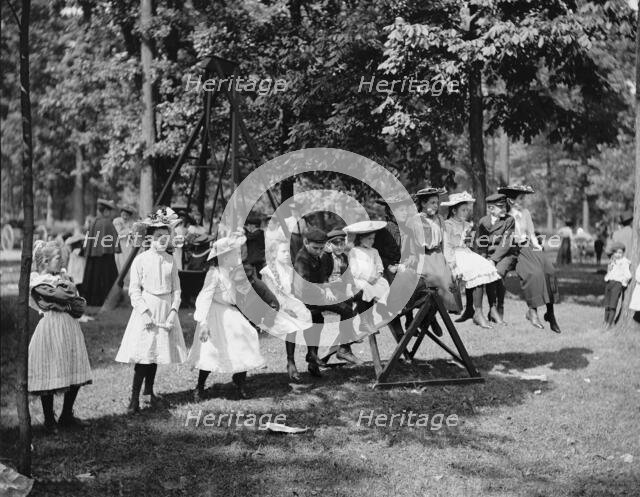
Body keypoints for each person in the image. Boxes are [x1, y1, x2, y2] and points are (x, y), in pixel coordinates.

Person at [115, 208, 187, 413]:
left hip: (164, 308)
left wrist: (173, 310)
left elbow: (177, 289)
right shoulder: (141, 260)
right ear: (150, 238)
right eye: (158, 236)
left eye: (166, 236)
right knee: (144, 354)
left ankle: (149, 392)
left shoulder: (170, 260)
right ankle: (134, 398)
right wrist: (144, 312)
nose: (163, 240)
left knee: (156, 352)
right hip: (147, 308)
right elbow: (134, 290)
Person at [187, 234, 265, 399]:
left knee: (245, 337)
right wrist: (203, 322)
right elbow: (204, 297)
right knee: (212, 348)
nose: (237, 257)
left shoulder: (237, 272)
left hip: (231, 311)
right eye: (233, 254)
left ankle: (240, 381)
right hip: (215, 312)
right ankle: (200, 386)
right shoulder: (214, 274)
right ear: (223, 257)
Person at [29, 240, 92, 432]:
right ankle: (49, 419)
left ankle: (66, 414)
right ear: (46, 261)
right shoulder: (39, 282)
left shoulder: (62, 277)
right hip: (51, 327)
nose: (62, 259)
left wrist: (66, 296)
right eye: (58, 257)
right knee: (50, 367)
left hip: (69, 327)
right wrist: (66, 294)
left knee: (73, 364)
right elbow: (63, 296)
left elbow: (79, 304)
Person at [293, 228, 361, 375]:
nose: (318, 251)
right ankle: (343, 348)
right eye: (315, 248)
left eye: (321, 248)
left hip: (318, 294)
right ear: (305, 242)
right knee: (345, 309)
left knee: (319, 321)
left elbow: (323, 276)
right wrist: (324, 290)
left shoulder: (318, 255)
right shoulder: (302, 259)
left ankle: (313, 360)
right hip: (306, 298)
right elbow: (304, 284)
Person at [498, 185, 562, 333]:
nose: (523, 201)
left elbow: (531, 232)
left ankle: (550, 313)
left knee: (549, 269)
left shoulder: (525, 213)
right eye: (520, 198)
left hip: (528, 245)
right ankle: (532, 310)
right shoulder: (506, 217)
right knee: (534, 273)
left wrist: (537, 246)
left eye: (523, 198)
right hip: (515, 248)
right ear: (510, 200)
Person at [441, 191, 501, 329]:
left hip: (465, 252)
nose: (466, 212)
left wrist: (469, 238)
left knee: (487, 267)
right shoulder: (447, 225)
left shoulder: (466, 225)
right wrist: (452, 265)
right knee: (475, 272)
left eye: (467, 210)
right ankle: (477, 313)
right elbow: (447, 246)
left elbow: (468, 244)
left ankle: (480, 309)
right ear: (454, 210)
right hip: (454, 255)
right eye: (463, 210)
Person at [260, 241, 313, 381]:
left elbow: (295, 291)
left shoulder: (289, 270)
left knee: (309, 314)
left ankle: (311, 353)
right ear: (273, 254)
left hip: (289, 302)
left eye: (288, 252)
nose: (287, 254)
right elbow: (271, 296)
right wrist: (287, 309)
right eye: (283, 252)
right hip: (274, 306)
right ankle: (291, 362)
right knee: (291, 324)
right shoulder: (267, 272)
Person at [409, 187, 461, 313]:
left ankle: (447, 308)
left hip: (438, 255)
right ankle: (429, 313)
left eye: (437, 203)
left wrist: (452, 263)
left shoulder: (439, 219)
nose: (436, 206)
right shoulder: (415, 220)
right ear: (423, 203)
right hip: (423, 257)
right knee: (437, 278)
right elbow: (412, 245)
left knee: (450, 277)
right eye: (432, 203)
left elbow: (446, 242)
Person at [476, 193, 517, 325]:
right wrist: (483, 259)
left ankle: (499, 307)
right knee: (487, 273)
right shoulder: (483, 222)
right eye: (500, 207)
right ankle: (492, 309)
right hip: (488, 256)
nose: (504, 209)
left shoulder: (509, 220)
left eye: (505, 206)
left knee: (497, 274)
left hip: (505, 255)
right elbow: (481, 243)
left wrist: (493, 260)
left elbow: (506, 242)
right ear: (491, 208)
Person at [344, 221, 390, 334]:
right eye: (369, 238)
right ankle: (366, 322)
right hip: (361, 279)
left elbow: (379, 265)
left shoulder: (374, 251)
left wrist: (378, 275)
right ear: (361, 239)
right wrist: (367, 277)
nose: (372, 241)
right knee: (366, 289)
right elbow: (353, 270)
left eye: (373, 239)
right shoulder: (355, 251)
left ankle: (382, 308)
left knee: (384, 284)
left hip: (374, 279)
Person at [82, 198, 119, 306]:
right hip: (106, 257)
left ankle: (91, 300)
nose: (111, 213)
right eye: (110, 211)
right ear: (106, 211)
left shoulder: (93, 222)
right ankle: (106, 299)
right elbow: (114, 240)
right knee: (107, 278)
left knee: (92, 277)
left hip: (93, 257)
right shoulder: (108, 224)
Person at [603, 242, 632, 328]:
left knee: (613, 305)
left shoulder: (624, 262)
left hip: (617, 284)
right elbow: (609, 272)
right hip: (609, 283)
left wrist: (624, 283)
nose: (618, 255)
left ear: (623, 253)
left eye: (620, 253)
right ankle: (605, 321)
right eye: (616, 253)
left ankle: (609, 323)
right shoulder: (612, 260)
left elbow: (628, 275)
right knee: (607, 304)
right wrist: (607, 275)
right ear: (613, 253)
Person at [113, 204, 136, 277]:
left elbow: (134, 234)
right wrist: (129, 231)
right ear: (121, 213)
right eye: (124, 214)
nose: (125, 217)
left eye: (127, 215)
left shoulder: (132, 222)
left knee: (128, 263)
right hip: (119, 245)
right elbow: (118, 234)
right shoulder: (117, 221)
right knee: (119, 263)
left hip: (128, 245)